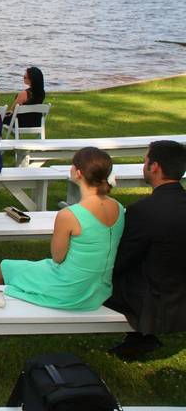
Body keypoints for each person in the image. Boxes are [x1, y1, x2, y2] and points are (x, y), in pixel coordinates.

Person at [0, 147, 125, 311]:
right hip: (98, 289)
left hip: (70, 290)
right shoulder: (118, 208)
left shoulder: (70, 215)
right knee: (27, 268)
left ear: (78, 173)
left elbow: (58, 257)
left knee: (7, 267)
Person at [106, 140, 186, 359]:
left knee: (101, 279)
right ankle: (140, 339)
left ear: (155, 167)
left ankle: (143, 336)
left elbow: (122, 260)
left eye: (145, 160)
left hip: (155, 299)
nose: (144, 165)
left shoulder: (143, 211)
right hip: (180, 289)